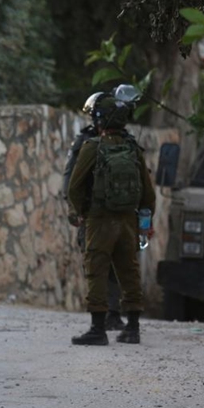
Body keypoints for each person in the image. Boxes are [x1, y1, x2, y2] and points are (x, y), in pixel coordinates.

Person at [67, 95, 155, 345]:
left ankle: (98, 330)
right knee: (129, 272)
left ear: (99, 119)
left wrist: (82, 212)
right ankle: (133, 329)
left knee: (97, 271)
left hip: (100, 220)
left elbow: (74, 187)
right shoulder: (133, 149)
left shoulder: (92, 147)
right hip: (128, 221)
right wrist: (145, 224)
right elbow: (148, 194)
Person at [63, 91, 125, 332]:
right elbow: (72, 178)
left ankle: (108, 314)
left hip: (102, 213)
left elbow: (70, 177)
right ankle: (108, 312)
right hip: (101, 212)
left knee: (107, 263)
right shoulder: (92, 142)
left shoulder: (103, 142)